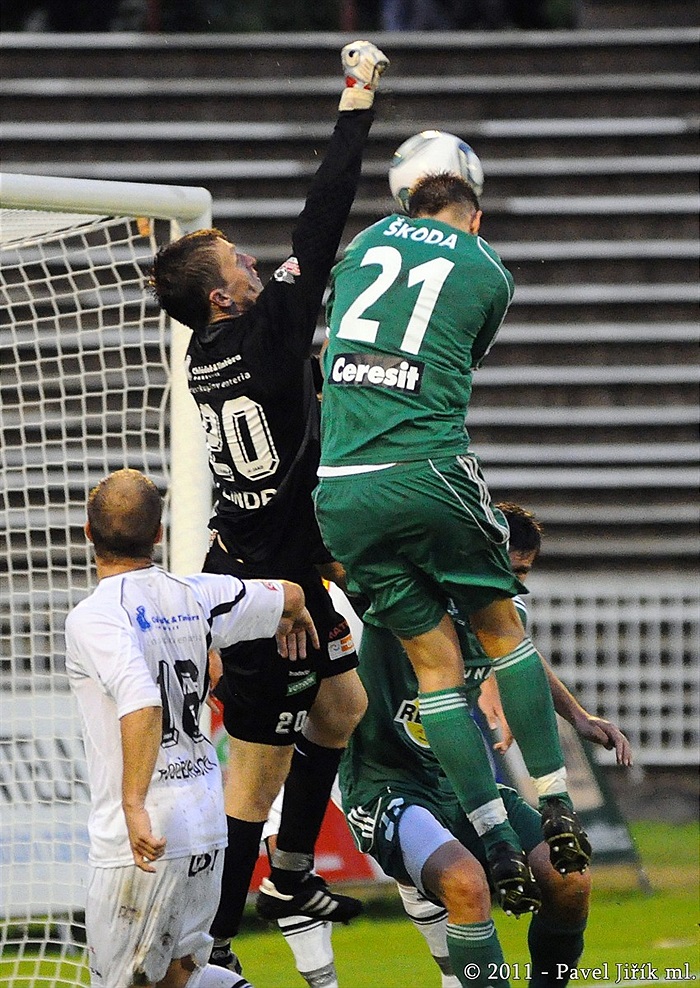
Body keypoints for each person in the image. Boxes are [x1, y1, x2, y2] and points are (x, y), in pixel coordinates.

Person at [149, 40, 389, 977]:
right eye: (239, 260)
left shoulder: (206, 354)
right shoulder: (266, 329)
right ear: (222, 294)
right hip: (261, 590)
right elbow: (322, 218)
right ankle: (212, 947)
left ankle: (291, 875)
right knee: (253, 774)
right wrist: (356, 103)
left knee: (343, 709)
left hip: (276, 566)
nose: (258, 262)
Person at [313, 166, 592, 906]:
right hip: (423, 467)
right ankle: (556, 803)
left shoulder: (363, 241)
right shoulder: (486, 268)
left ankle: (497, 838)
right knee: (504, 633)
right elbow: (455, 359)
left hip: (340, 487)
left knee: (435, 671)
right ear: (474, 217)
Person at [262, 503, 631, 988]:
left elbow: (521, 655)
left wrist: (577, 715)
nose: (516, 585)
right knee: (466, 885)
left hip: (464, 782)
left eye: (524, 573)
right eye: (510, 570)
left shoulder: (505, 609)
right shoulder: (395, 592)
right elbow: (320, 557)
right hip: (387, 786)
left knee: (570, 879)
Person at [64, 468, 319, 988]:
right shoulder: (196, 594)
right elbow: (288, 594)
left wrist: (133, 803)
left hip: (143, 837)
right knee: (182, 975)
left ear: (87, 533)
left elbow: (140, 699)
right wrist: (293, 615)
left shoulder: (94, 618)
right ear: (158, 535)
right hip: (205, 824)